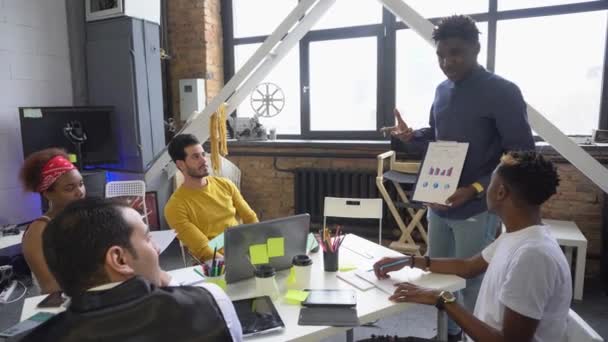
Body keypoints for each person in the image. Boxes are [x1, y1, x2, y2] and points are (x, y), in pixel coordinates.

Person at [384, 14, 535, 339]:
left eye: (456, 53)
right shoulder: (441, 91)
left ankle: (472, 336)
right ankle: (449, 334)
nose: (447, 62)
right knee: (440, 275)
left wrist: (477, 187)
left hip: (477, 206)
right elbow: (438, 139)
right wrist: (412, 136)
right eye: (441, 55)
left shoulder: (503, 92)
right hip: (439, 202)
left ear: (476, 49)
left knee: (471, 280)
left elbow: (521, 154)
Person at [373, 151, 572, 342]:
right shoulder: (519, 236)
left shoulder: (533, 256)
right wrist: (410, 261)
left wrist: (442, 299)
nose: (486, 190)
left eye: (491, 184)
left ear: (501, 192)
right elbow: (468, 267)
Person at [22, 197, 242, 342]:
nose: (156, 248)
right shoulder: (210, 303)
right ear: (119, 258)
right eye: (147, 238)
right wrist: (171, 286)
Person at [165, 134, 258, 261]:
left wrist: (258, 247)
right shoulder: (175, 207)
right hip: (216, 265)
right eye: (196, 157)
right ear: (181, 165)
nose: (204, 160)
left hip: (246, 250)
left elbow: (250, 217)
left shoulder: (225, 184)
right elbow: (204, 249)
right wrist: (234, 265)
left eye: (203, 154)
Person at [18, 148, 85, 294]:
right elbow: (50, 287)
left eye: (81, 184)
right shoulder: (38, 232)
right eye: (69, 188)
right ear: (48, 193)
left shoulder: (84, 218)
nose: (80, 192)